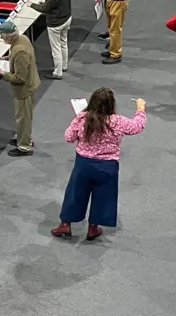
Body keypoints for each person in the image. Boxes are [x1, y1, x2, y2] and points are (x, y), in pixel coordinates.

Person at [52, 89, 147, 241]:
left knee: (75, 193)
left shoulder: (82, 118)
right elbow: (137, 126)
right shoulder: (118, 121)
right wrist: (140, 108)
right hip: (107, 166)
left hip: (83, 164)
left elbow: (68, 137)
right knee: (103, 197)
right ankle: (93, 228)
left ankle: (65, 224)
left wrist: (77, 120)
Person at [0, 22, 40, 157]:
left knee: (23, 118)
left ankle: (24, 146)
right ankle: (24, 138)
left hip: (24, 90)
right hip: (30, 83)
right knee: (24, 117)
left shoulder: (19, 50)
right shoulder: (22, 39)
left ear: (9, 36)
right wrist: (6, 58)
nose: (1, 38)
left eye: (2, 36)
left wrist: (3, 74)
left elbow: (19, 78)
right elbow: (17, 57)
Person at [30, 0, 73, 80]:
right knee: (64, 43)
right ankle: (64, 65)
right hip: (67, 18)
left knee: (56, 48)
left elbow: (45, 9)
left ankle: (58, 72)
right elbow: (55, 4)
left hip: (56, 23)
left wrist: (32, 5)